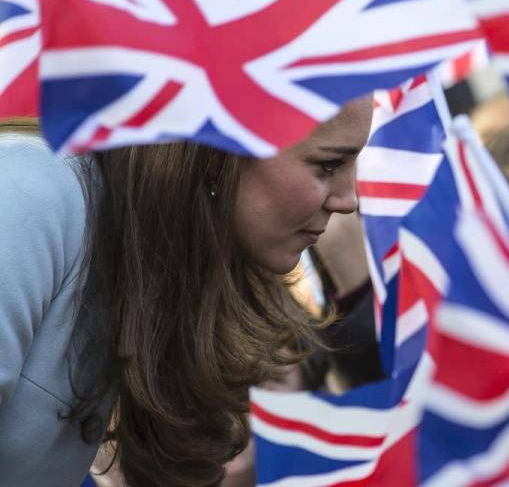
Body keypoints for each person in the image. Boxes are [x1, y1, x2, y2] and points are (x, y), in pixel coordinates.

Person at [0, 96, 373, 487]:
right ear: (219, 150)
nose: (348, 199)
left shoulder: (157, 257)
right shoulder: (30, 191)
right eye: (328, 164)